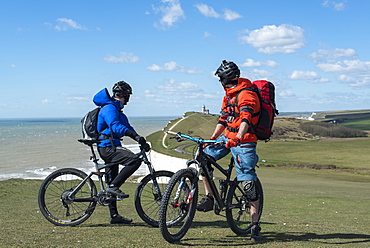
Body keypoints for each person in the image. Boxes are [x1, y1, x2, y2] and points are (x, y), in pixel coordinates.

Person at [196, 60, 262, 241]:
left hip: (244, 141)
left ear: (226, 78)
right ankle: (210, 198)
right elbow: (224, 118)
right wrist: (212, 139)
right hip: (227, 136)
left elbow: (246, 118)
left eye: (220, 78)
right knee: (204, 157)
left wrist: (239, 137)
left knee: (248, 183)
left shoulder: (246, 93)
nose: (219, 81)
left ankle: (255, 225)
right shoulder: (228, 95)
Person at [93, 80, 150, 224]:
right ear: (125, 95)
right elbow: (115, 126)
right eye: (128, 95)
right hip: (107, 148)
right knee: (135, 161)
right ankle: (113, 188)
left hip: (112, 146)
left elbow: (127, 126)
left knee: (112, 178)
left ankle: (114, 216)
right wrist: (133, 136)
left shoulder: (118, 110)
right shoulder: (109, 108)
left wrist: (140, 140)